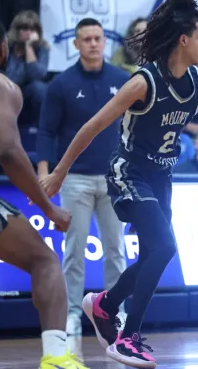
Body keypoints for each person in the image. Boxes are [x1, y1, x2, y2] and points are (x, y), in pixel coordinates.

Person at [39, 0, 198, 368]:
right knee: (165, 248)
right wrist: (58, 173)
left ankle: (105, 304)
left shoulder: (195, 82)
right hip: (128, 172)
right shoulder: (143, 82)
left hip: (161, 179)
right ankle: (127, 337)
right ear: (183, 40)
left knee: (155, 251)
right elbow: (93, 126)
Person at [0, 15, 86, 369]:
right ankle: (58, 356)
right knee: (44, 261)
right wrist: (50, 209)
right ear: (2, 50)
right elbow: (9, 152)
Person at [37, 18, 129, 339]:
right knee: (74, 250)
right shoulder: (61, 85)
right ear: (75, 45)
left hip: (114, 178)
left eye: (97, 38)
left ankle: (114, 311)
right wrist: (44, 173)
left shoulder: (123, 80)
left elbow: (134, 128)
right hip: (74, 179)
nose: (92, 43)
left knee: (115, 248)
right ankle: (72, 313)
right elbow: (47, 131)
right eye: (86, 39)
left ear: (105, 42)